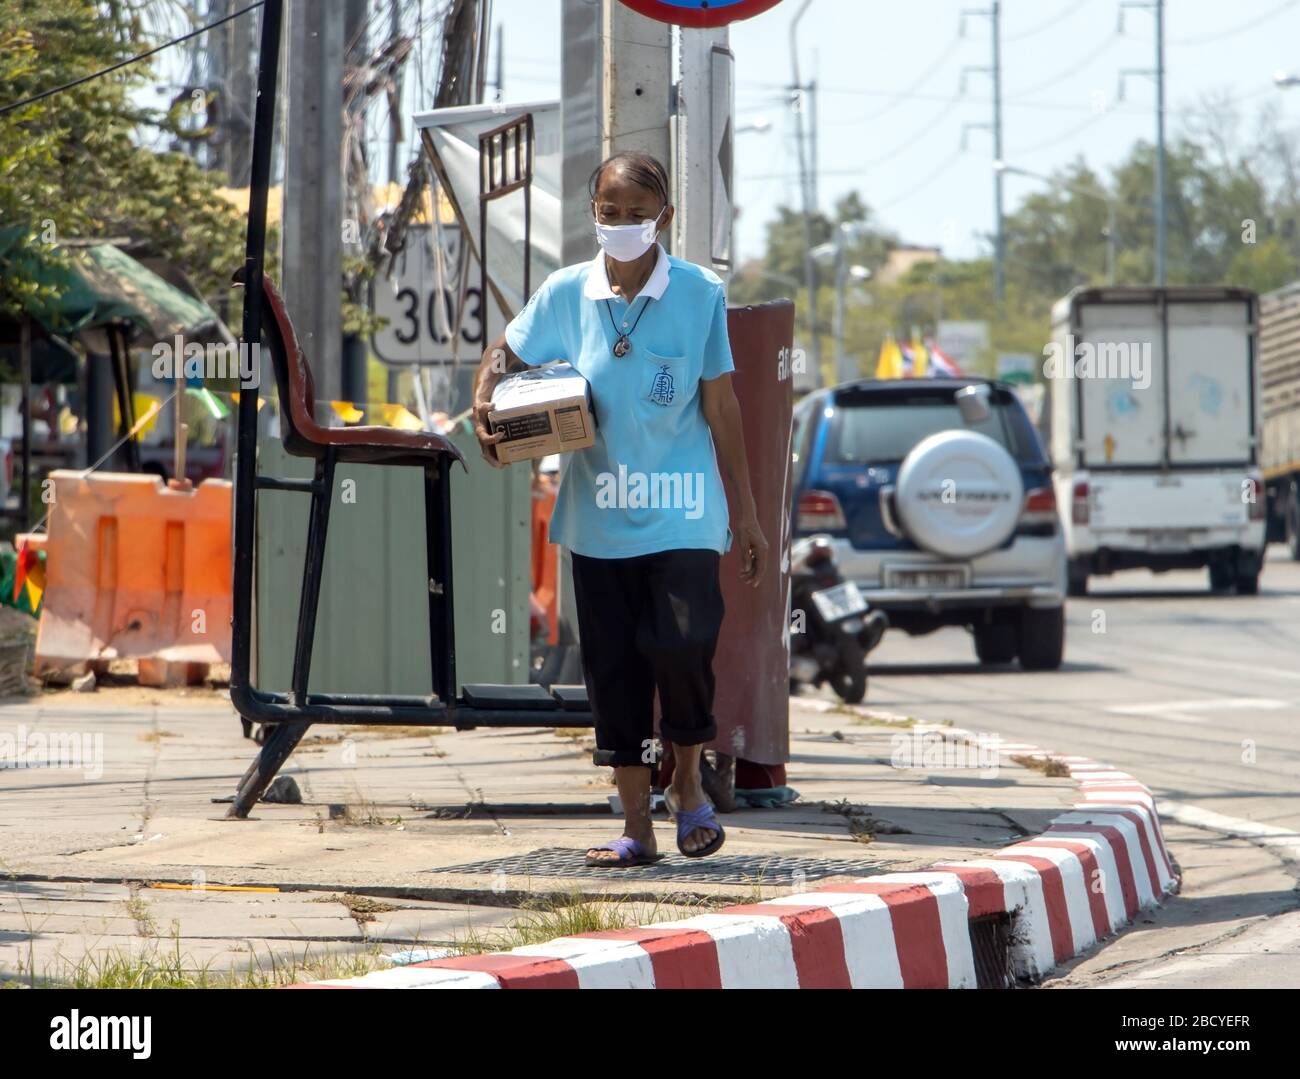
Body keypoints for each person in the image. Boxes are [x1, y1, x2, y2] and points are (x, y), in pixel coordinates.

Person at [471, 150, 767, 866]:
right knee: (613, 669)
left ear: (663, 218)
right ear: (592, 213)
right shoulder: (566, 293)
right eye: (610, 212)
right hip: (599, 516)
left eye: (638, 215)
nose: (624, 225)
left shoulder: (699, 294)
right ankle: (638, 825)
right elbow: (504, 353)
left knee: (682, 644)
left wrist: (747, 514)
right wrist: (485, 401)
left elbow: (721, 404)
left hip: (683, 511)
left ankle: (688, 784)